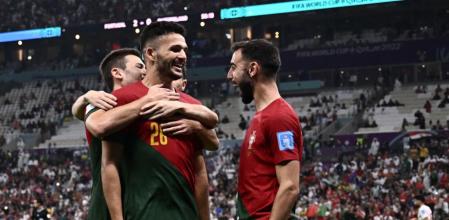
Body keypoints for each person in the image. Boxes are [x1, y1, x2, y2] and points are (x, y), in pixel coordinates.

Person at [85, 22, 218, 219]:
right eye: (174, 49)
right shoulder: (122, 99)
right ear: (150, 54)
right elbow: (109, 165)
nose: (183, 55)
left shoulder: (192, 105)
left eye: (184, 50)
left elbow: (200, 172)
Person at [226, 39, 302, 219]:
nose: (230, 76)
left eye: (233, 67)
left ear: (252, 69)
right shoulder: (262, 117)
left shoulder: (279, 117)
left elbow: (290, 186)